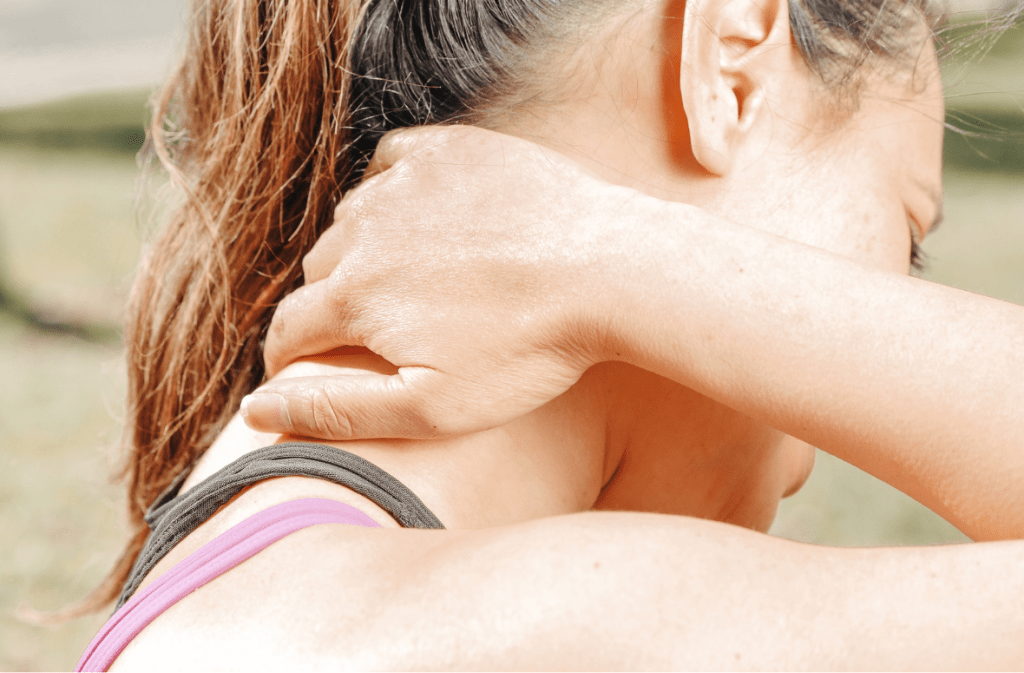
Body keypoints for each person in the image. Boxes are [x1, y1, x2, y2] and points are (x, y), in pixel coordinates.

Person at [78, 0, 1024, 668]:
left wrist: (591, 258)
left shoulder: (248, 588)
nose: (809, 462)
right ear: (730, 65)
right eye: (904, 239)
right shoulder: (595, 624)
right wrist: (615, 257)